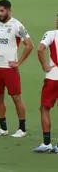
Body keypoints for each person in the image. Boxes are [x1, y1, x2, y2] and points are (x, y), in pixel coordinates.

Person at [0, 0, 33, 138]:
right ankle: (3, 128)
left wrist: (19, 62)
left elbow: (29, 45)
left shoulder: (17, 26)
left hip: (9, 68)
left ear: (9, 11)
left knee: (16, 97)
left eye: (2, 11)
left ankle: (22, 129)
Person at [33, 15, 58, 153]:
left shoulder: (51, 34)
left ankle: (47, 143)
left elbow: (40, 49)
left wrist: (44, 65)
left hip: (53, 77)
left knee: (44, 108)